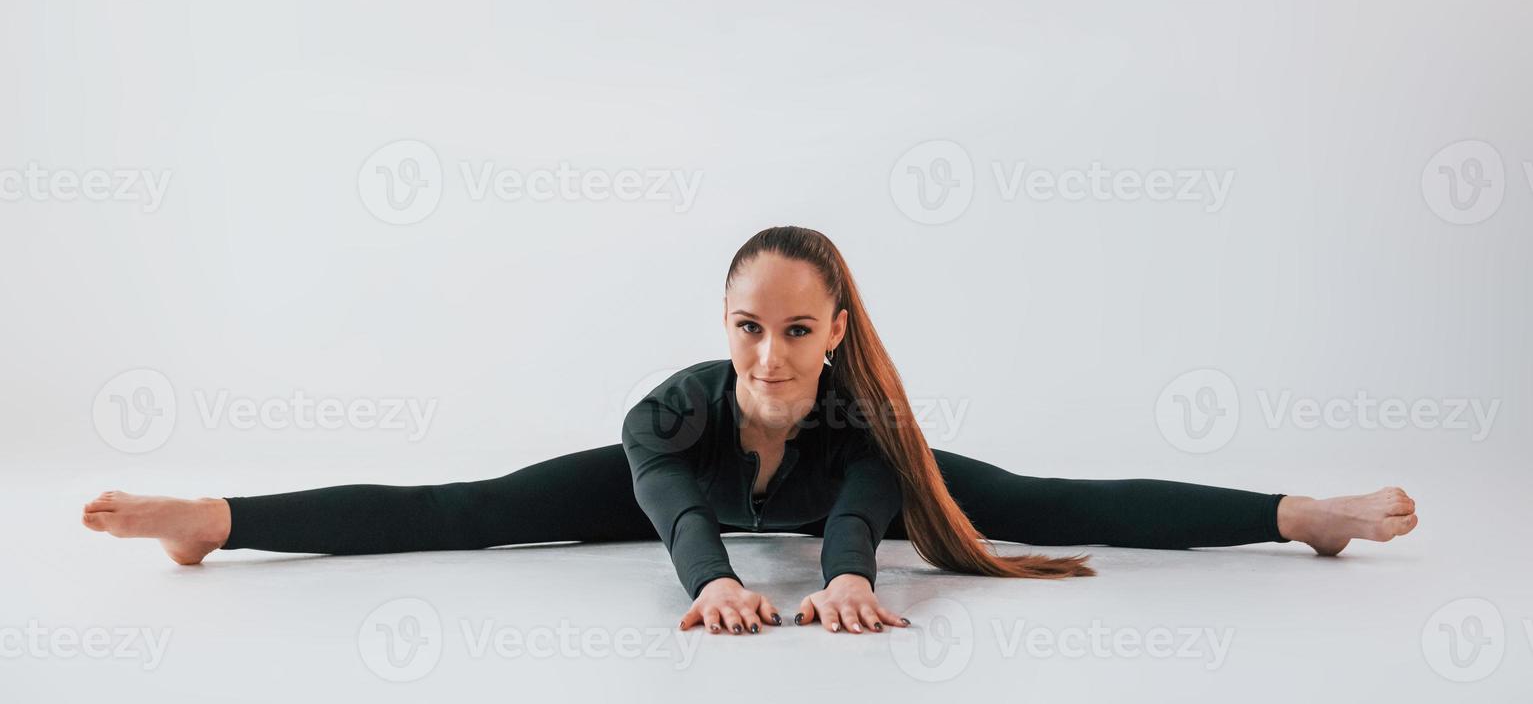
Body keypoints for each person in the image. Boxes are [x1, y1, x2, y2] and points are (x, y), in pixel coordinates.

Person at [81, 225, 1419, 636]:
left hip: (843, 489)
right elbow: (673, 508)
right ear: (722, 328)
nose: (768, 354)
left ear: (834, 328)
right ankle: (221, 521)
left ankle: (1301, 515)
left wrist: (844, 575)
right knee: (465, 506)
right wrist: (716, 579)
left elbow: (856, 512)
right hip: (680, 502)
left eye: (793, 328)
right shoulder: (667, 415)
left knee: (1040, 494)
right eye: (746, 328)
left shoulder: (855, 421)